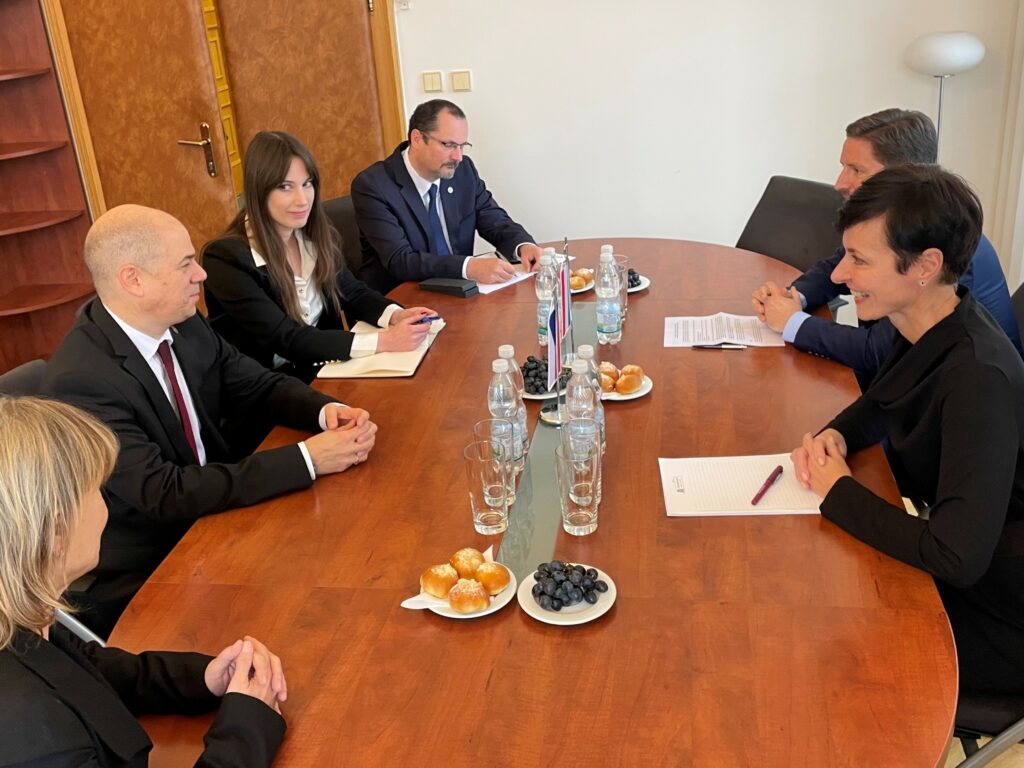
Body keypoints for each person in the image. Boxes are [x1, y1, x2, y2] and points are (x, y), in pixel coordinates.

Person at [42, 204, 378, 637]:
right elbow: (164, 493)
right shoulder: (82, 381)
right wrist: (308, 459)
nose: (200, 275)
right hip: (158, 563)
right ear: (134, 280)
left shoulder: (182, 322)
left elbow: (255, 383)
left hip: (217, 513)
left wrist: (324, 410)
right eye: (185, 264)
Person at [790, 165, 1024, 694]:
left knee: (815, 645)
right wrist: (837, 436)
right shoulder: (925, 322)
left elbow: (955, 556)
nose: (839, 275)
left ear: (925, 265)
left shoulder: (977, 377)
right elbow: (883, 401)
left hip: (997, 608)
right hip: (964, 557)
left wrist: (839, 491)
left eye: (859, 260)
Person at [0, 396, 287, 767]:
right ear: (56, 531)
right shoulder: (40, 741)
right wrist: (246, 729)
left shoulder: (21, 618)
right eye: (98, 488)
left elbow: (84, 667)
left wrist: (202, 678)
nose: (107, 505)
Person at [752, 109, 1020, 385]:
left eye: (857, 170)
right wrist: (793, 296)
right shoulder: (898, 225)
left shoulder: (941, 245)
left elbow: (878, 353)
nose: (839, 183)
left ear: (901, 178)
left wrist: (793, 322)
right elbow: (836, 266)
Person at [203, 131, 438, 383]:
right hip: (266, 385)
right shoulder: (226, 259)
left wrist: (395, 315)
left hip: (324, 369)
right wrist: (384, 341)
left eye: (307, 184)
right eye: (285, 187)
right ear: (258, 191)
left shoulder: (314, 235)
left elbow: (354, 293)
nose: (302, 200)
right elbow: (286, 338)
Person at [351, 99, 542, 293]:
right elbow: (400, 260)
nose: (458, 157)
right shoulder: (374, 185)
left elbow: (494, 220)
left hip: (460, 293)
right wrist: (468, 267)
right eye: (449, 145)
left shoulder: (463, 171)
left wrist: (522, 245)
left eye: (462, 145)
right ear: (417, 139)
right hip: (402, 297)